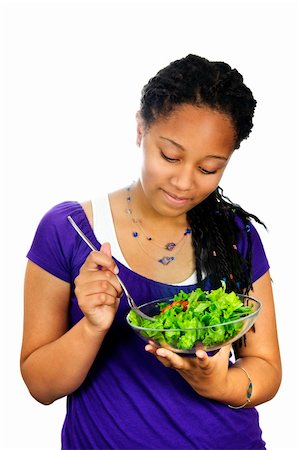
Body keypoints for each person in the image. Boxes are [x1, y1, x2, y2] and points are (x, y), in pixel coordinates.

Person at [20, 54, 281, 450]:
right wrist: (91, 326)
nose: (184, 182)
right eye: (171, 156)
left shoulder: (235, 237)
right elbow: (40, 386)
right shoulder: (69, 231)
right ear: (141, 129)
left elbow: (266, 368)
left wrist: (220, 382)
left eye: (209, 169)